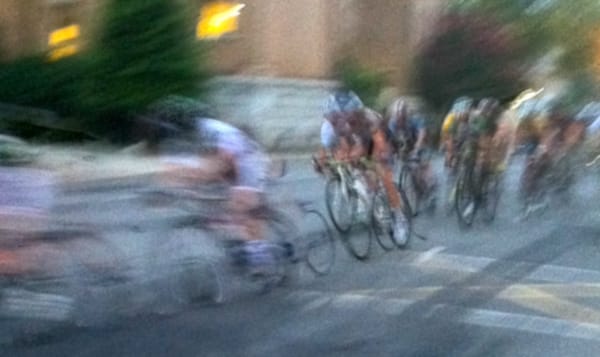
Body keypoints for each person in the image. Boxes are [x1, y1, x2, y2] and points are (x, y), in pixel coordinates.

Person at [315, 89, 409, 245]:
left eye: (348, 114)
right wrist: (341, 158)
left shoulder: (368, 118)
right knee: (358, 164)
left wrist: (371, 156)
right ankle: (373, 195)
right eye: (340, 115)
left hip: (381, 138)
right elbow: (345, 146)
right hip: (363, 140)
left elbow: (378, 144)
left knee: (383, 172)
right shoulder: (340, 123)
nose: (343, 118)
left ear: (356, 111)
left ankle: (399, 217)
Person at [386, 98, 436, 206]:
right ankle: (415, 189)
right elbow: (390, 140)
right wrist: (389, 155)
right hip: (406, 147)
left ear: (406, 115)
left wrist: (417, 148)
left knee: (422, 165)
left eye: (402, 118)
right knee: (410, 168)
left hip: (419, 145)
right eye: (397, 118)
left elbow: (422, 134)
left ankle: (430, 186)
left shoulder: (415, 120)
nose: (399, 121)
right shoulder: (392, 123)